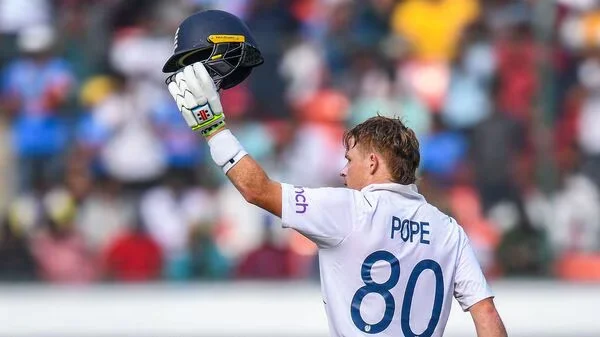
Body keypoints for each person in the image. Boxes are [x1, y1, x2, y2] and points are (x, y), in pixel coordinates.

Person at [166, 62, 507, 337]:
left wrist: (212, 128)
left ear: (373, 163)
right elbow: (486, 313)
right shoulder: (449, 230)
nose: (344, 171)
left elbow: (257, 189)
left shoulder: (349, 210)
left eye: (350, 159)